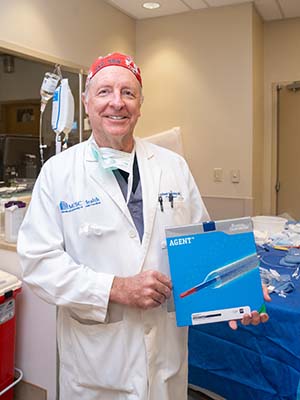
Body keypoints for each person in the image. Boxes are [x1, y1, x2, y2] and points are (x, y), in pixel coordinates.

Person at [17, 52, 270, 400]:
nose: (116, 103)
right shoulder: (59, 173)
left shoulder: (173, 166)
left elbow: (202, 247)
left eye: (128, 93)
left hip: (165, 357)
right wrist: (114, 288)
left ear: (140, 105)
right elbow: (38, 262)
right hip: (98, 364)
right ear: (88, 103)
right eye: (104, 92)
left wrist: (239, 293)